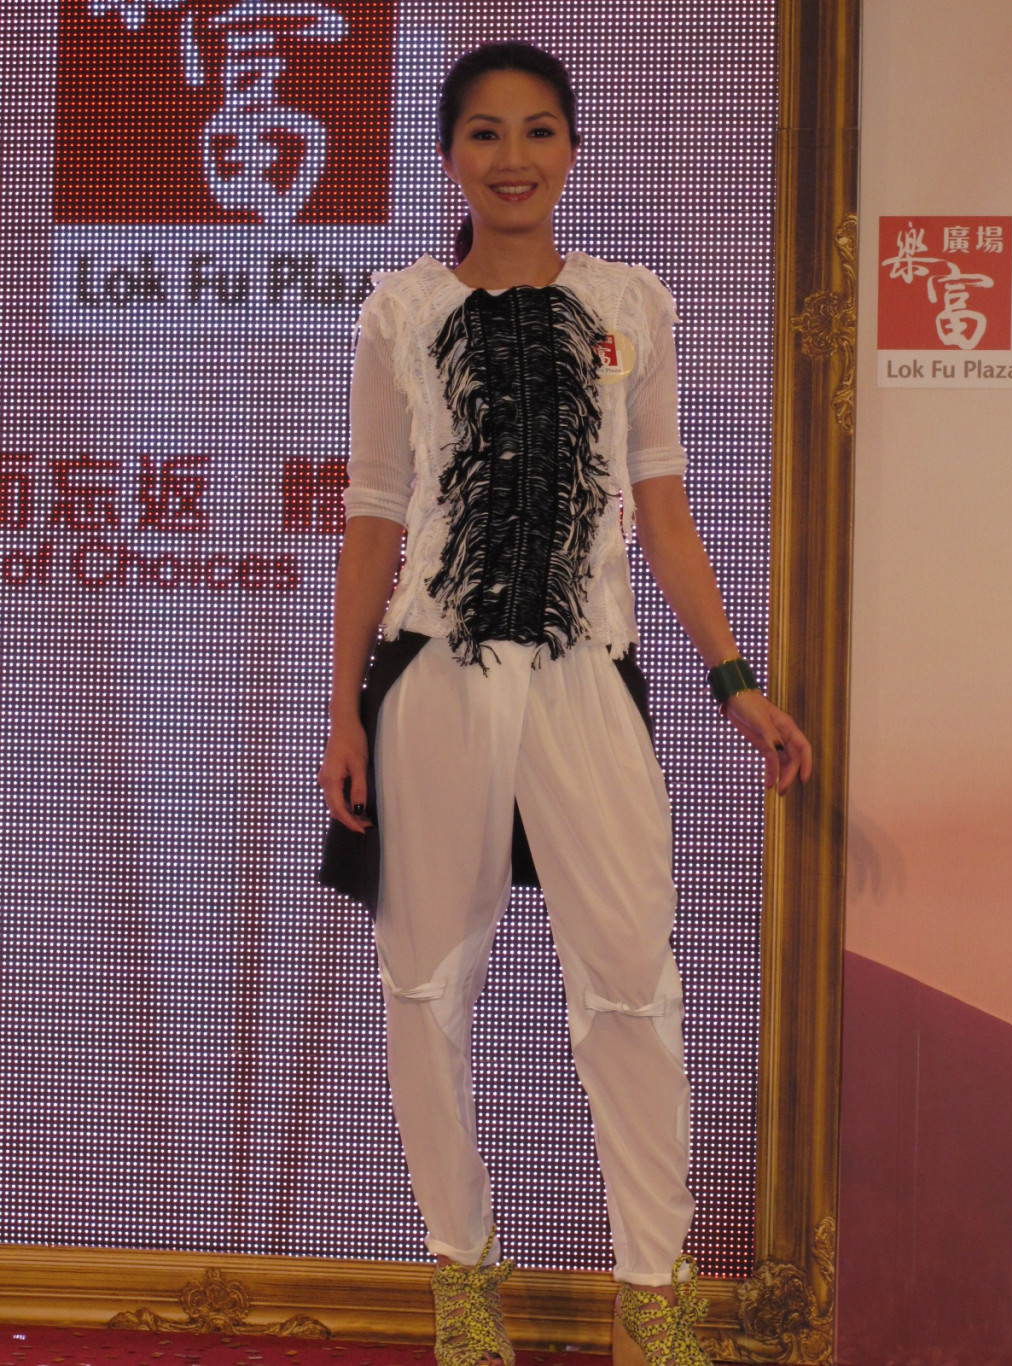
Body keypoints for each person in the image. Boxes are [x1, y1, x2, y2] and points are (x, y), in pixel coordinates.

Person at [318, 40, 812, 1366]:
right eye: (485, 133)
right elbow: (373, 517)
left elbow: (665, 514)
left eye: (539, 131)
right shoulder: (400, 310)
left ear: (575, 150)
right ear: (448, 156)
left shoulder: (629, 304)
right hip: (434, 678)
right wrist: (342, 710)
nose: (514, 158)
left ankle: (655, 1297)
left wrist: (735, 679)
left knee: (633, 982)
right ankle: (462, 1285)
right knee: (425, 986)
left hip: (588, 673)